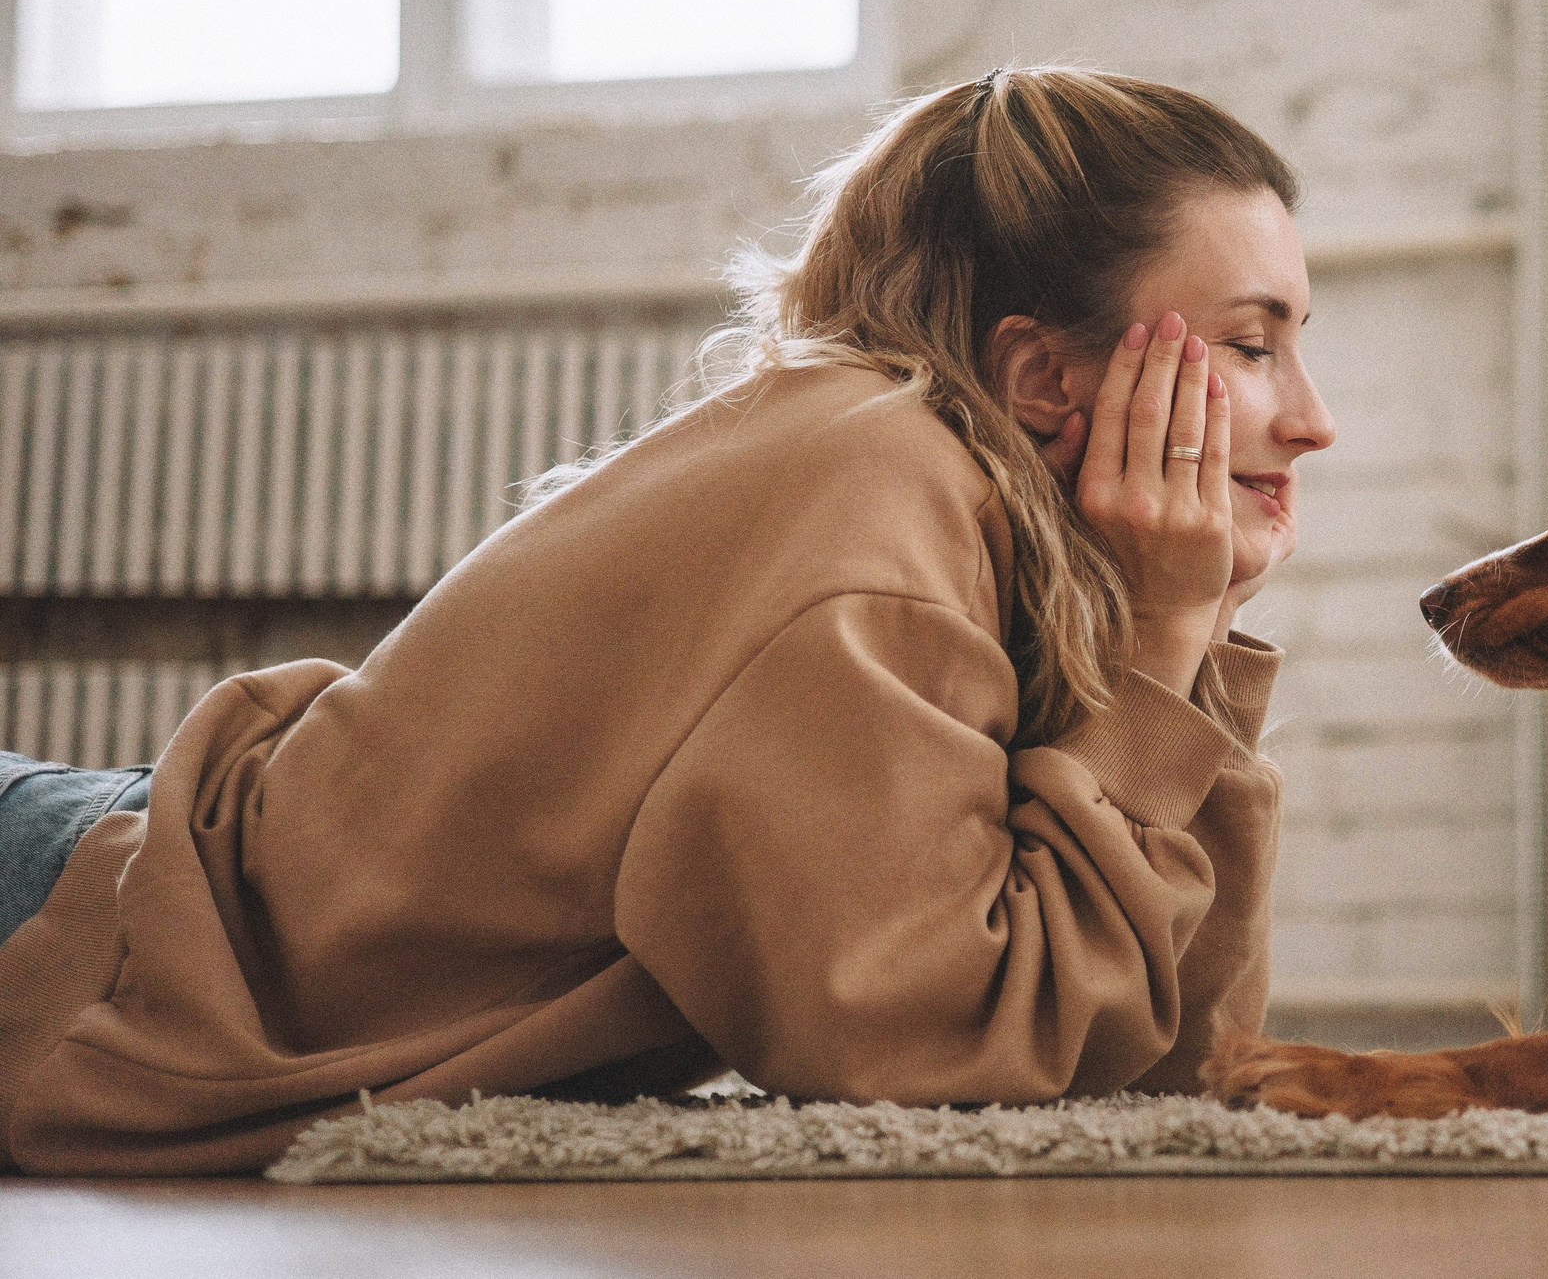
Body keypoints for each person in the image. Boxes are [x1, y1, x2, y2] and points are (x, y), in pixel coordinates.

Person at [0, 67, 1335, 1175]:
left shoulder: (984, 516)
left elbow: (1170, 1061)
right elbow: (931, 1060)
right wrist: (1156, 660)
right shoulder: (875, 480)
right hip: (92, 932)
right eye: (1251, 343)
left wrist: (1176, 638)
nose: (1311, 418)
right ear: (1044, 374)